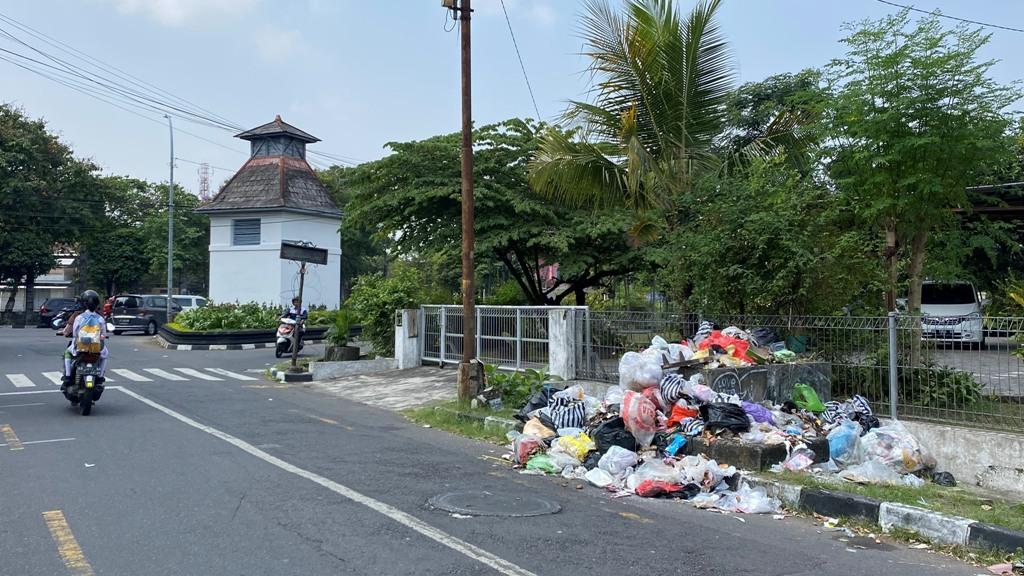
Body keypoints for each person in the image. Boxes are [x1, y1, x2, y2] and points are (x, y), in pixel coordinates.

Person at [62, 290, 109, 390]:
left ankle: (67, 376)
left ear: (83, 304)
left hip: (80, 346)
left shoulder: (79, 317)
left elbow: (75, 333)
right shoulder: (100, 318)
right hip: (96, 348)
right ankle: (100, 377)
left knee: (67, 353)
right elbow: (103, 334)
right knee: (105, 354)